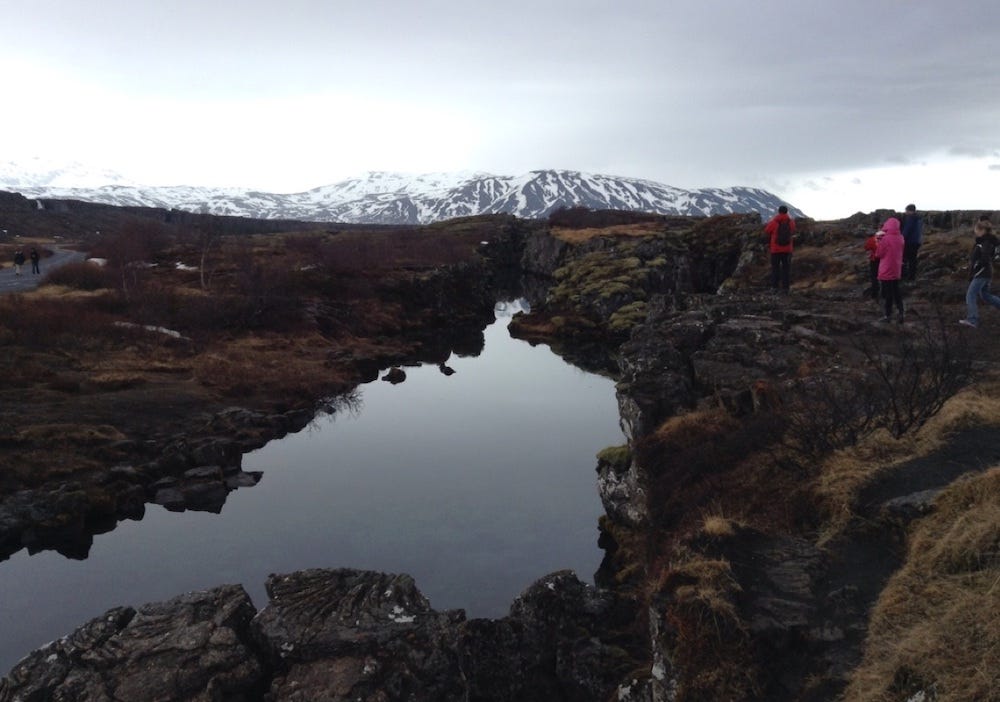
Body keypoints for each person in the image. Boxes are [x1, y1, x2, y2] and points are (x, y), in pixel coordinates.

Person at [959, 217, 1000, 329]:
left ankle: (972, 319)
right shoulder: (986, 241)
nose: (975, 232)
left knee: (970, 295)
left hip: (982, 274)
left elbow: (985, 258)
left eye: (976, 230)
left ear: (982, 230)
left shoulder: (985, 242)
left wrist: (976, 267)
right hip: (986, 273)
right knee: (986, 296)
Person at [875, 217, 905, 323]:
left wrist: (878, 242)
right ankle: (901, 312)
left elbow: (879, 254)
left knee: (888, 294)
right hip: (896, 268)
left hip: (886, 269)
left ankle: (888, 315)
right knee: (897, 292)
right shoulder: (901, 237)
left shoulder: (885, 239)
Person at [764, 205, 795, 294]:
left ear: (779, 211)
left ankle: (774, 288)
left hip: (775, 250)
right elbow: (793, 231)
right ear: (786, 212)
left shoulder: (774, 222)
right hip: (787, 250)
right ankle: (786, 289)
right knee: (786, 269)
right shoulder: (791, 222)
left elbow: (767, 231)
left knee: (775, 269)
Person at [900, 203, 923, 282]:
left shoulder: (911, 218)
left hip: (909, 242)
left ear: (909, 211)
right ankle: (912, 276)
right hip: (917, 241)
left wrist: (901, 238)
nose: (905, 212)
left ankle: (907, 276)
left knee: (905, 259)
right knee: (913, 259)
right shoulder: (919, 219)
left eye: (906, 210)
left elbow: (907, 230)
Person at [863, 229, 880, 300]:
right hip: (885, 260)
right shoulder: (884, 238)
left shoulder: (871, 240)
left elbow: (866, 247)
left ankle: (875, 293)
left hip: (875, 259)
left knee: (874, 276)